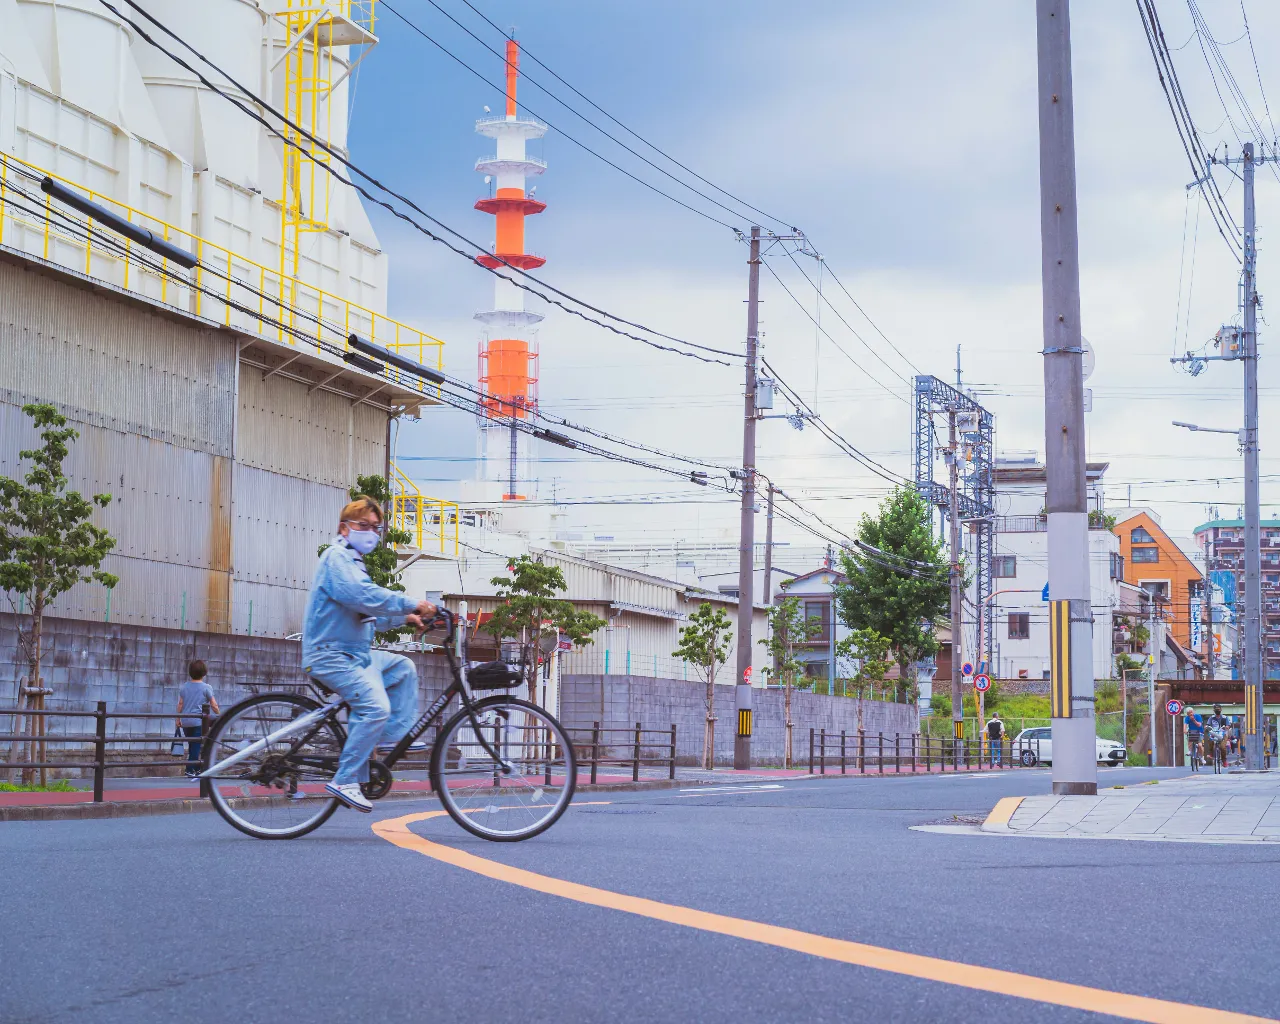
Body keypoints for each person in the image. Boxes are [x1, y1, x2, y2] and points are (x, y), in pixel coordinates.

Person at [303, 495, 437, 812]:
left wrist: (404, 618)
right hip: (330, 655)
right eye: (363, 525)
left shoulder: (353, 562)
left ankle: (391, 737)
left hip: (355, 654)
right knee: (375, 706)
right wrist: (410, 603)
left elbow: (365, 614)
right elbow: (362, 596)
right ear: (344, 528)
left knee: (402, 668)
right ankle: (345, 779)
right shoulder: (337, 559)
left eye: (376, 527)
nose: (371, 532)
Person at [175, 660, 220, 778]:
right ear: (204, 672)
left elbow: (180, 704)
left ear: (190, 672)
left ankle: (197, 768)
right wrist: (219, 715)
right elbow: (214, 705)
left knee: (192, 745)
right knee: (196, 746)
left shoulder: (184, 687)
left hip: (185, 721)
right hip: (198, 721)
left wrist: (178, 718)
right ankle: (190, 770)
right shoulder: (206, 687)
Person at [1183, 705, 1204, 770]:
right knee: (1189, 739)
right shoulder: (1187, 718)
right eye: (1189, 713)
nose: (1190, 714)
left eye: (1191, 712)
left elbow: (1199, 724)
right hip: (1192, 732)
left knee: (1200, 745)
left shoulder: (1198, 716)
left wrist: (1194, 720)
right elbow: (1185, 725)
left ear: (1193, 712)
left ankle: (1201, 757)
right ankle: (1190, 751)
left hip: (1199, 732)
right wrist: (1184, 730)